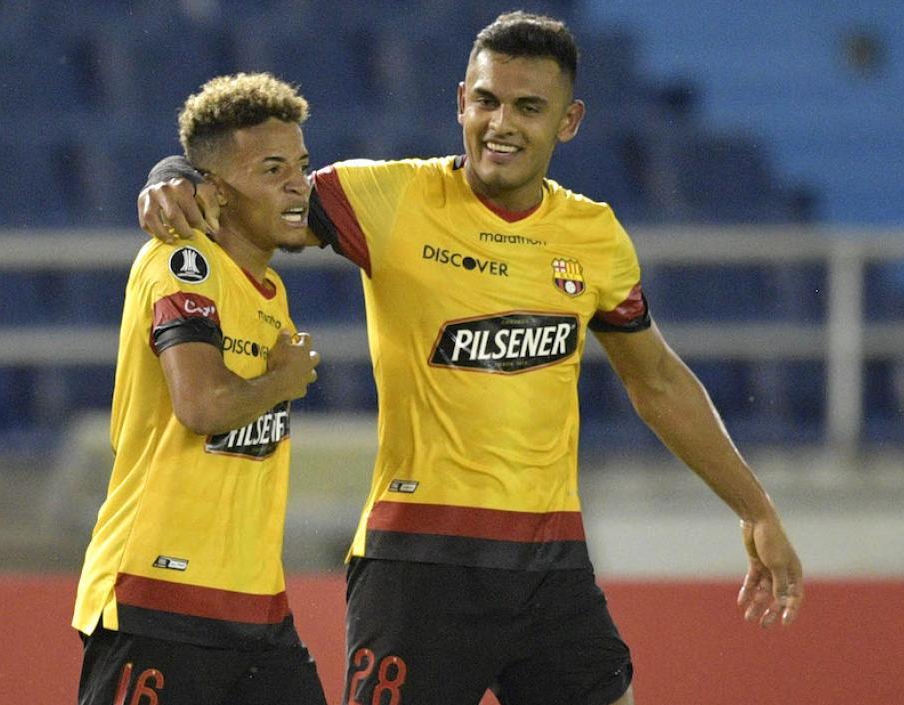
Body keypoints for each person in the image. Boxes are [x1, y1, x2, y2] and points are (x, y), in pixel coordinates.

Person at [137, 13, 804, 705]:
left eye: (528, 107)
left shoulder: (594, 234)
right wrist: (175, 172)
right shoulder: (386, 199)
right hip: (418, 567)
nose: (501, 123)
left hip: (552, 567)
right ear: (461, 101)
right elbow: (251, 196)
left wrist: (754, 510)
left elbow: (658, 380)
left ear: (569, 121)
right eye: (486, 101)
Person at [73, 72, 326, 705]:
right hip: (157, 596)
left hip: (257, 607)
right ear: (213, 190)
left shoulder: (271, 294)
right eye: (273, 169)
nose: (298, 184)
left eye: (302, 164)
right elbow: (204, 405)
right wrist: (280, 382)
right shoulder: (180, 260)